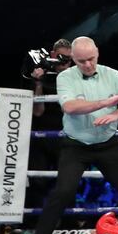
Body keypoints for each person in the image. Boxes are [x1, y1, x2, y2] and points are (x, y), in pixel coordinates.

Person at [27, 36, 118, 234]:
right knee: (63, 193)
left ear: (97, 53)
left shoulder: (112, 74)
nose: (87, 65)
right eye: (81, 61)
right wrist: (105, 103)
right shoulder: (66, 77)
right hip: (75, 145)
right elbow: (70, 107)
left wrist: (115, 114)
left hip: (108, 143)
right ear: (73, 60)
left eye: (91, 59)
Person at [22, 39, 73, 213]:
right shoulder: (39, 73)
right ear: (52, 55)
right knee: (37, 181)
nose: (65, 62)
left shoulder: (75, 77)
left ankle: (68, 225)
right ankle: (31, 223)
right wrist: (37, 83)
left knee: (68, 180)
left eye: (69, 59)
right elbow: (38, 111)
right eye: (61, 58)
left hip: (65, 135)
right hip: (41, 136)